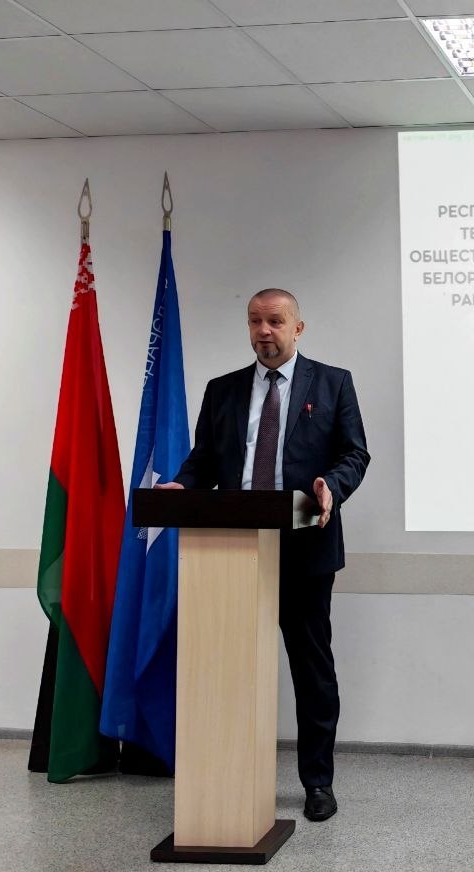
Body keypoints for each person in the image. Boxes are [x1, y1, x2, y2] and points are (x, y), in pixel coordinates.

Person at [158, 288, 370, 821]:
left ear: (298, 327)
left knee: (311, 670)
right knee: (226, 665)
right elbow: (204, 460)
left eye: (275, 320)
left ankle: (318, 782)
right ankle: (229, 776)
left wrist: (331, 487)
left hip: (304, 546)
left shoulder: (333, 382)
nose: (264, 331)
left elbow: (354, 453)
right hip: (233, 550)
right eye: (255, 321)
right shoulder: (223, 389)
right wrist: (183, 487)